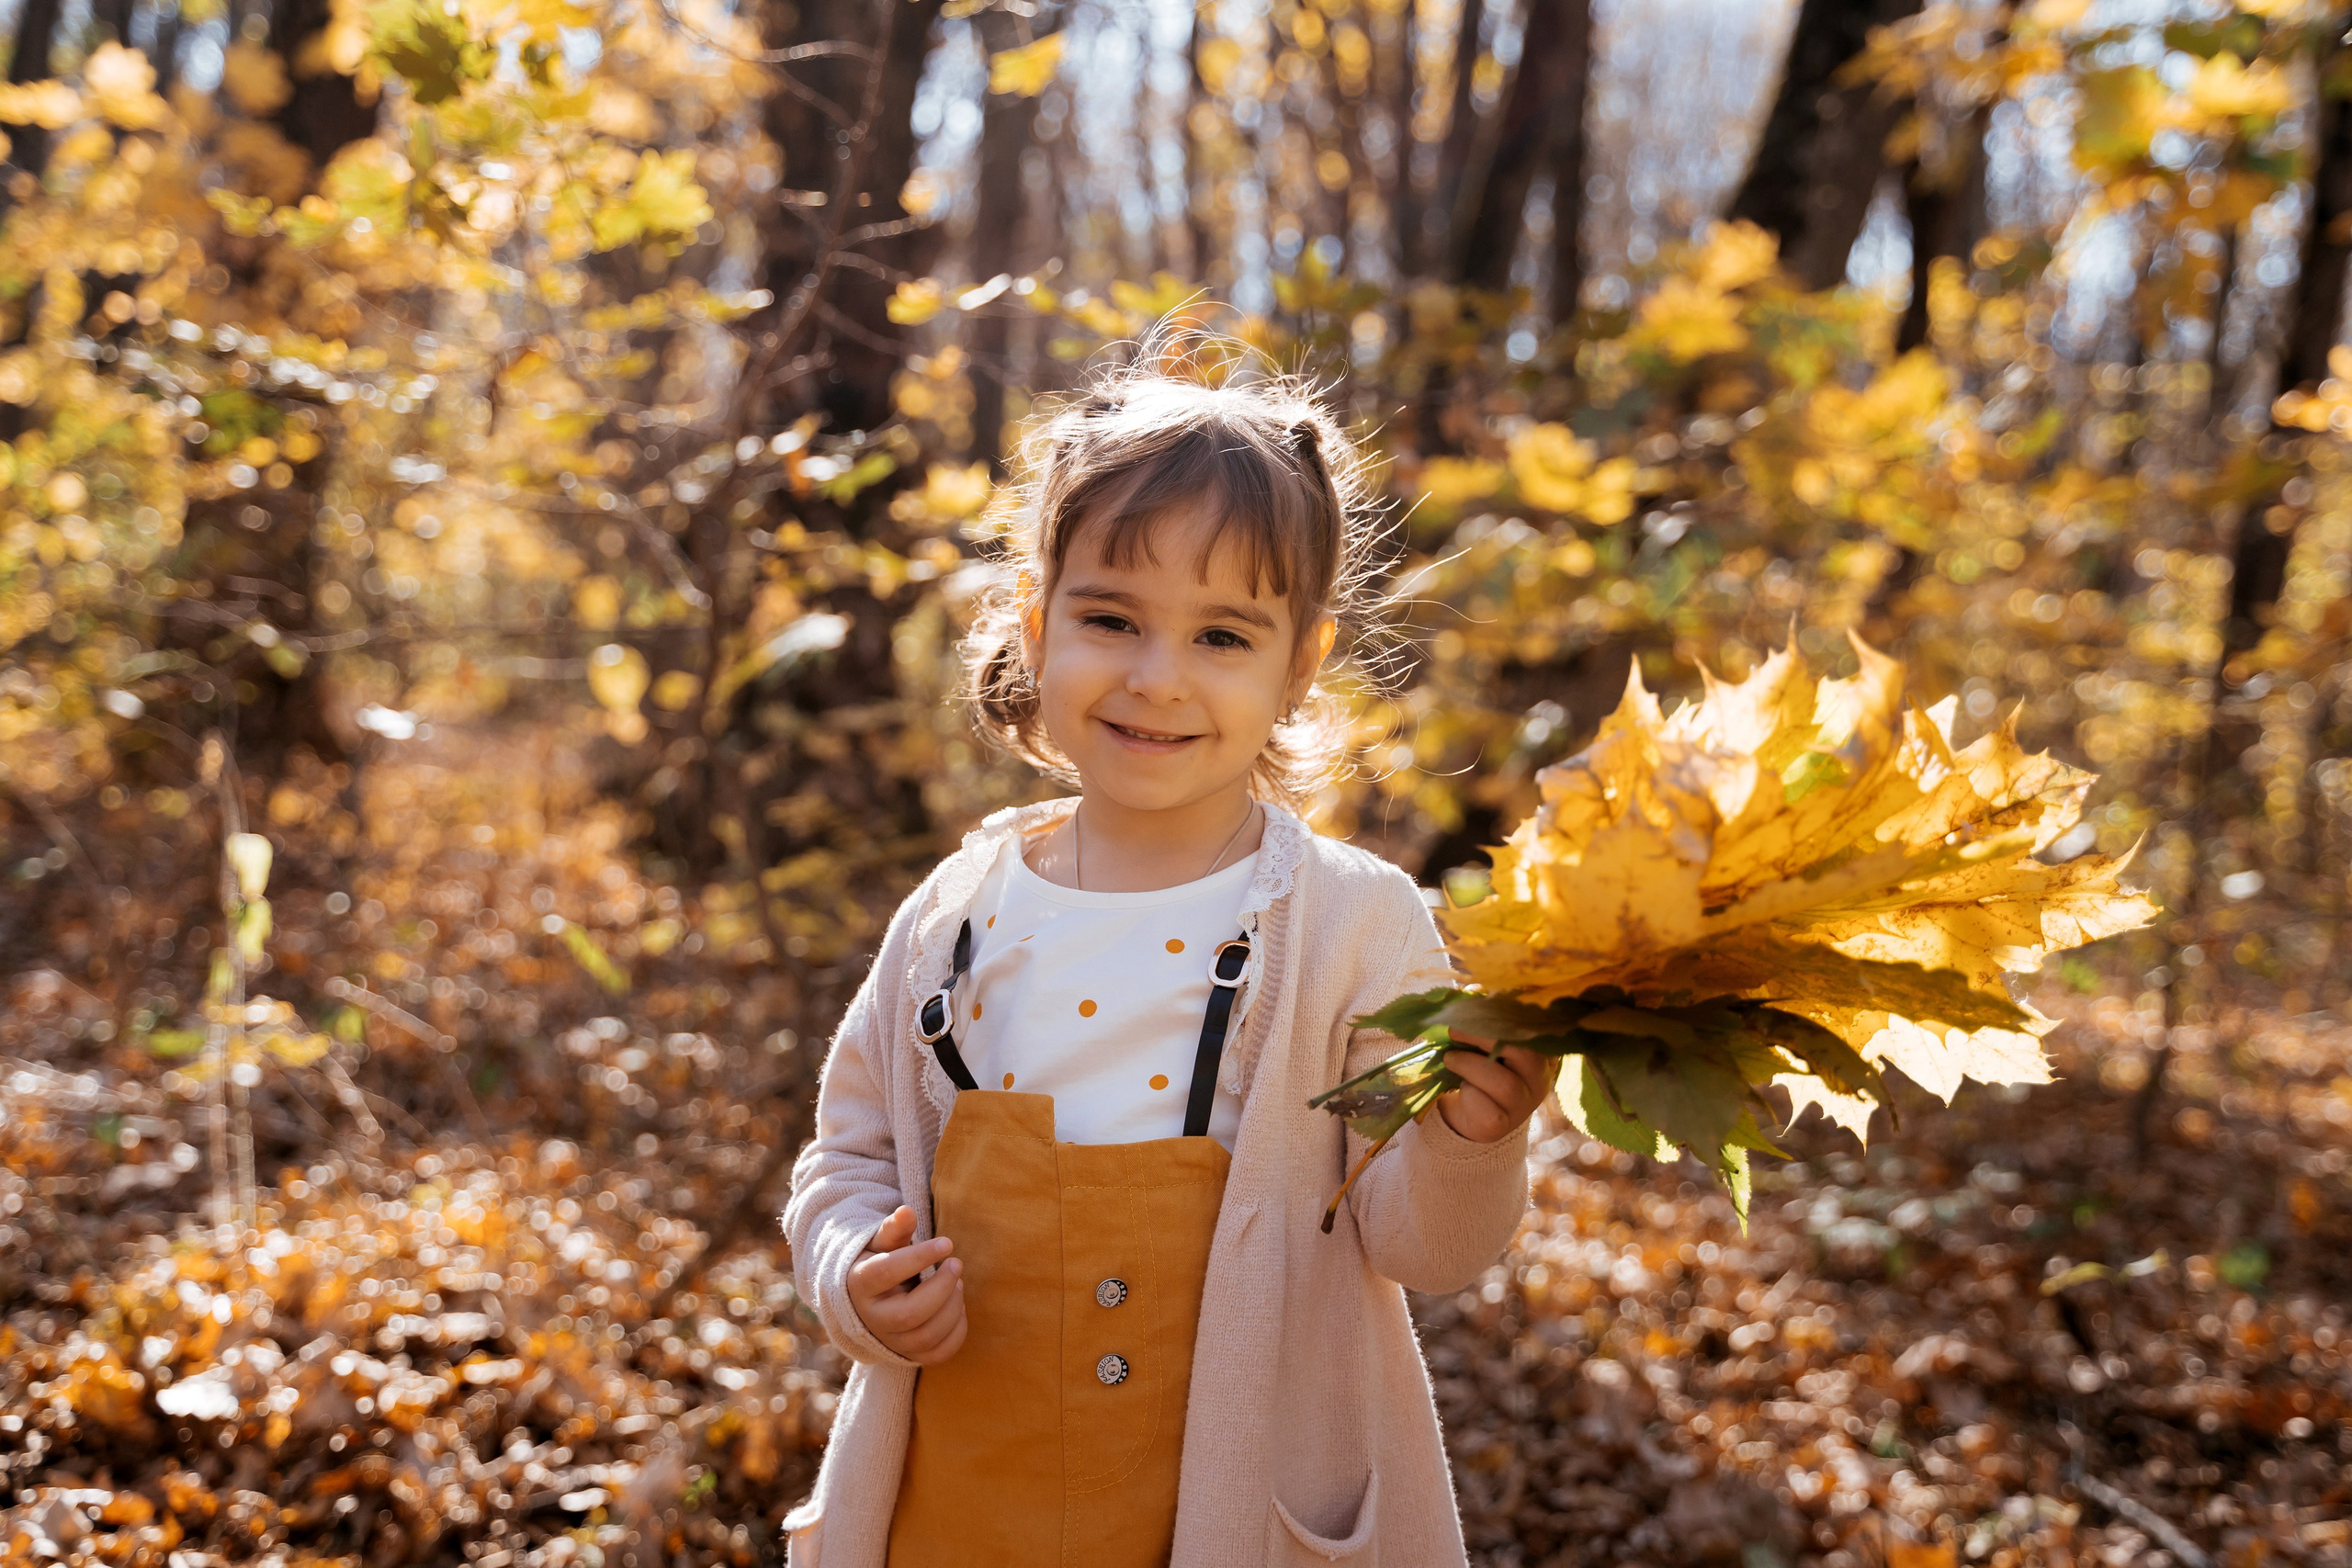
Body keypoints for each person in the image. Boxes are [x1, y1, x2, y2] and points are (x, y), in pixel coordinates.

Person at [781, 339, 1555, 1568]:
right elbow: (854, 1155)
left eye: (1222, 637)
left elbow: (1424, 1246)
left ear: (1300, 665)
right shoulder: (954, 916)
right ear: (1037, 628)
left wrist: (1475, 1138)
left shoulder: (1355, 926)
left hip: (1228, 1520)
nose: (1157, 678)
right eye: (1110, 617)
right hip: (963, 1508)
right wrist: (850, 1271)